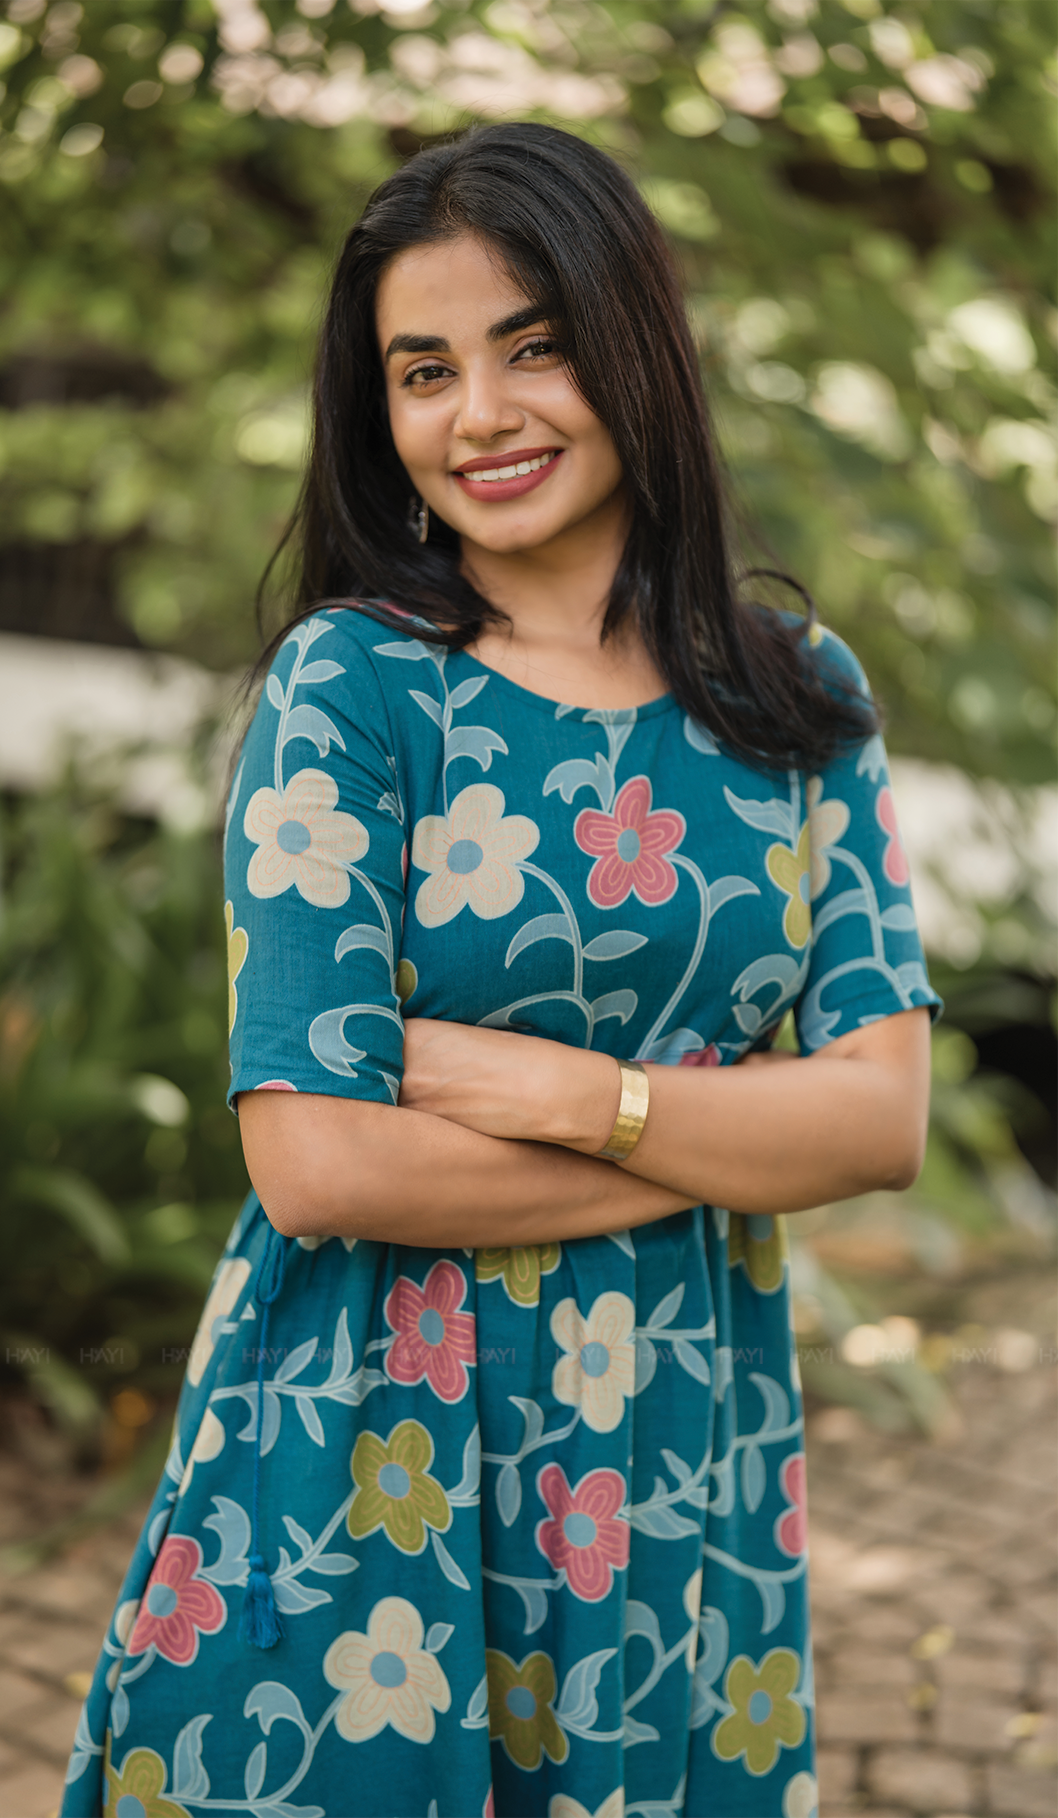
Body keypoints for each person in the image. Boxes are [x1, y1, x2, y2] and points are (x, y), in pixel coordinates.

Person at [61, 122, 939, 1818]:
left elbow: (882, 1121)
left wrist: (573, 1094)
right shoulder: (353, 689)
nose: (480, 413)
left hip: (677, 1454)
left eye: (534, 346)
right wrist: (730, 1135)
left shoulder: (798, 695)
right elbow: (318, 1162)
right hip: (369, 1440)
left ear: (635, 343)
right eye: (424, 369)